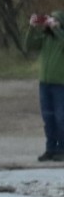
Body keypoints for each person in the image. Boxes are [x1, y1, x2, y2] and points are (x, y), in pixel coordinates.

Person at [28, 10, 64, 162]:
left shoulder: (60, 38)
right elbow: (29, 45)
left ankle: (62, 148)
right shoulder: (45, 37)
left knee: (60, 118)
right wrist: (31, 28)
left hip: (60, 84)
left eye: (54, 19)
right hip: (45, 83)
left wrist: (56, 28)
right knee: (48, 117)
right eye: (49, 19)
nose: (50, 21)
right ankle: (51, 148)